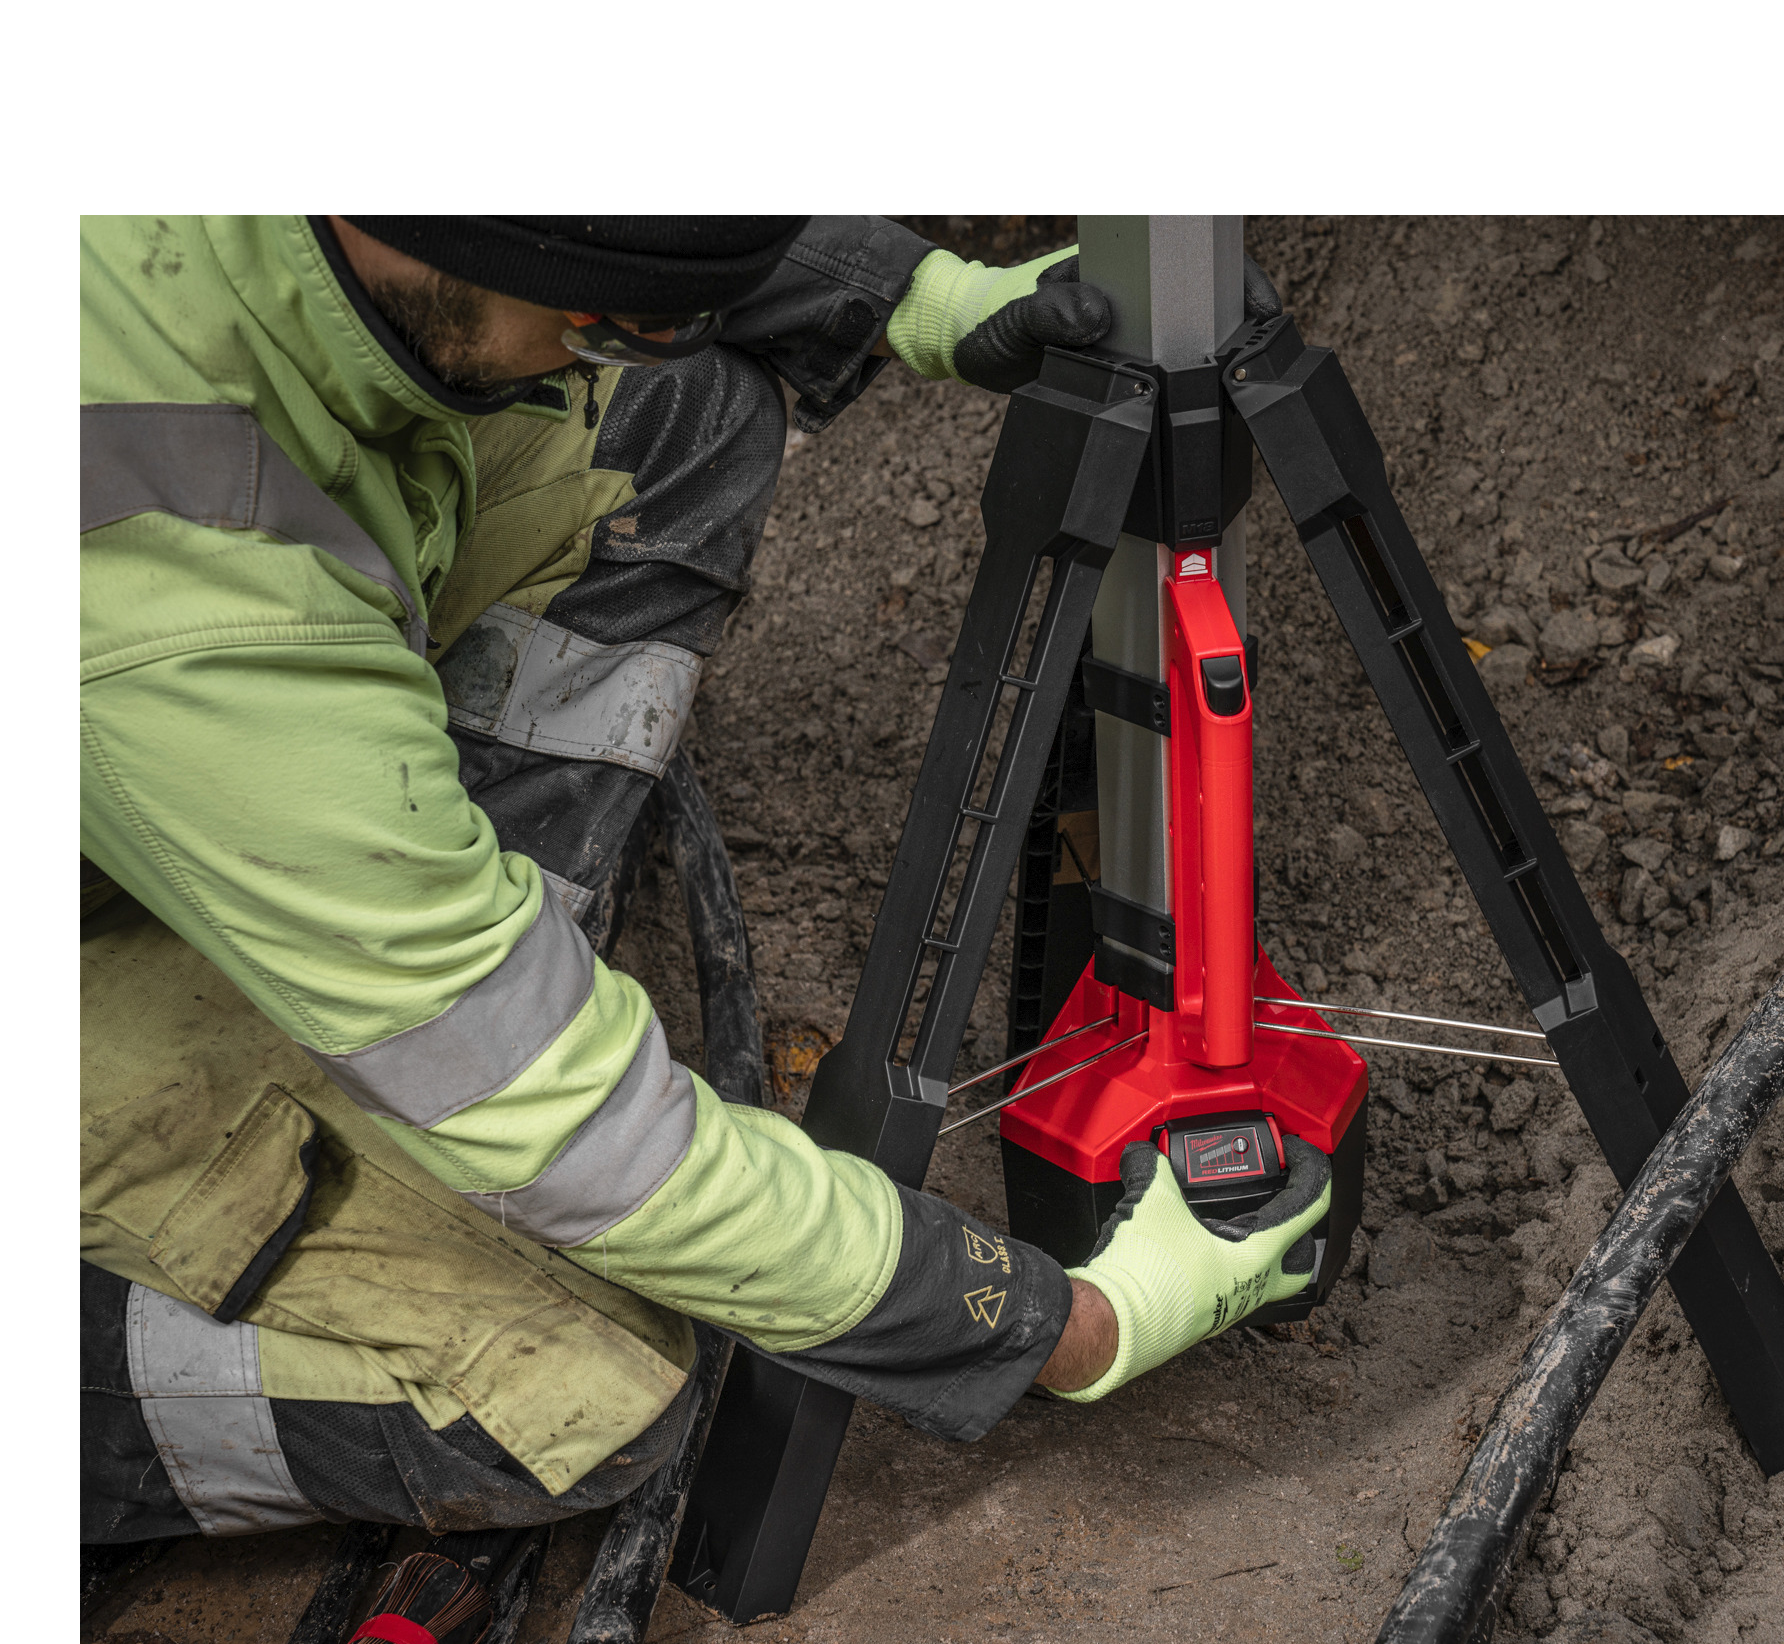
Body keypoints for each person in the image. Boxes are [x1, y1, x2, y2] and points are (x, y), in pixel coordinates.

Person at [81, 214, 1327, 1547]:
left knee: (680, 414)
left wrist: (910, 296)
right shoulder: (200, 614)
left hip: (200, 764)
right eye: (600, 320)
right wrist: (1061, 1324)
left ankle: (449, 988)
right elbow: (584, 1142)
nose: (611, 354)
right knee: (582, 1393)